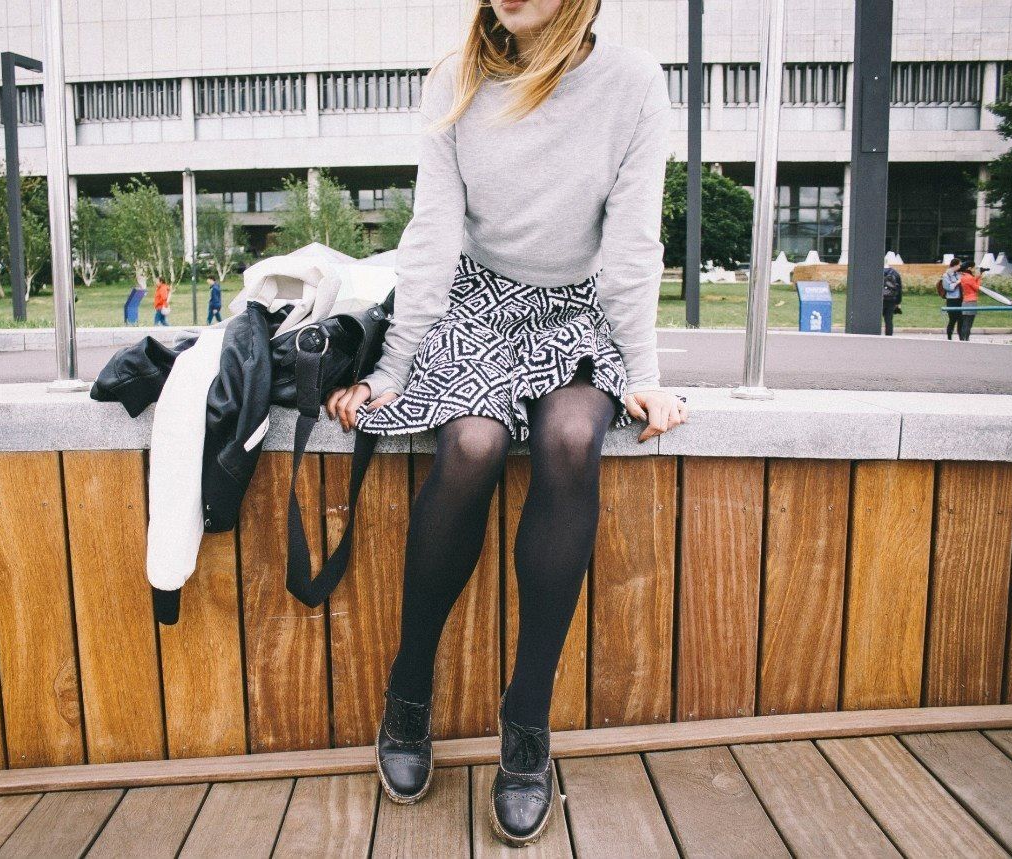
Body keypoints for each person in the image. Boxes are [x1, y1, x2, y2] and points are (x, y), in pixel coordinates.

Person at [324, 1, 685, 846]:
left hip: (576, 312)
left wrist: (644, 373)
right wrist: (391, 366)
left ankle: (526, 721)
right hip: (473, 303)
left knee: (567, 437)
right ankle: (410, 687)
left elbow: (632, 244)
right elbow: (432, 234)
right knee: (476, 441)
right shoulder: (456, 81)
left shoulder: (631, 85)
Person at [957, 260, 981, 341]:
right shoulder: (969, 278)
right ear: (970, 268)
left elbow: (971, 283)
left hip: (965, 301)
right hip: (971, 301)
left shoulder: (964, 277)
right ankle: (966, 339)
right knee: (969, 322)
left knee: (965, 322)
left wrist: (977, 277)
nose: (974, 270)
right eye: (974, 268)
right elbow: (977, 288)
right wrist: (979, 278)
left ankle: (963, 338)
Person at [941, 257, 962, 339]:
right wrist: (957, 282)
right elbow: (948, 288)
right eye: (959, 265)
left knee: (961, 319)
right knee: (952, 319)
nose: (960, 267)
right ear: (955, 265)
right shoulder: (946, 275)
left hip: (960, 299)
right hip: (952, 300)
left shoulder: (959, 274)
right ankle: (949, 337)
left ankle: (961, 336)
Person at [881, 265, 902, 335]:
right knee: (889, 320)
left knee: (876, 318)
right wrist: (898, 302)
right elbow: (899, 289)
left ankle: (874, 335)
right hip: (891, 300)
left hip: (880, 299)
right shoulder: (896, 274)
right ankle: (888, 336)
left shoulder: (879, 272)